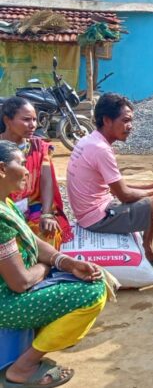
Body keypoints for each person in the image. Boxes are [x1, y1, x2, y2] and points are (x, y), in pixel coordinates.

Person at [0, 140, 107, 387]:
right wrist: (50, 268)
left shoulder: (5, 202)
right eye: (22, 164)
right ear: (2, 169)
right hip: (6, 301)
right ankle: (23, 368)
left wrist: (65, 262)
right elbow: (21, 282)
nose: (28, 171)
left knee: (81, 275)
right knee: (93, 293)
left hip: (13, 289)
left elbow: (33, 242)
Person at [66, 93, 153, 282]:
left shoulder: (91, 141)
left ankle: (149, 251)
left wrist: (150, 187)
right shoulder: (101, 149)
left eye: (131, 121)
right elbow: (125, 194)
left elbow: (114, 186)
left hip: (93, 211)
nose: (130, 126)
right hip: (98, 218)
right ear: (107, 120)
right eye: (125, 120)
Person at [0, 97, 72, 250]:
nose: (33, 125)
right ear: (7, 120)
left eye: (34, 119)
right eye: (26, 119)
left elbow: (47, 183)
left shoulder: (39, 147)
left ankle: (43, 267)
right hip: (3, 207)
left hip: (31, 205)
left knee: (48, 231)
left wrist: (46, 214)